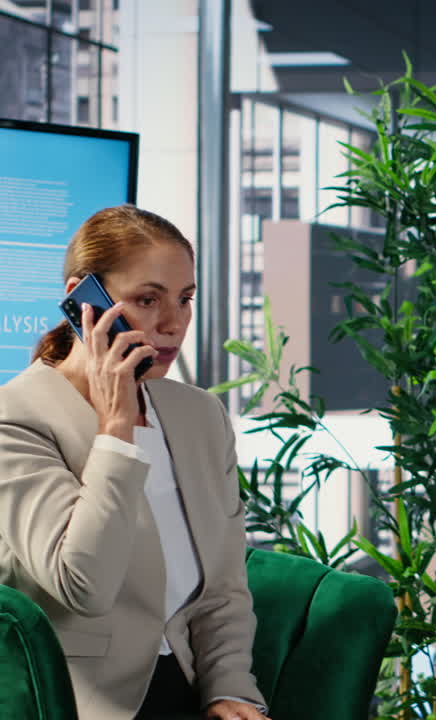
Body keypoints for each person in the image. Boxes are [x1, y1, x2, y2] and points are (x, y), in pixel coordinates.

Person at [0, 206, 268, 720]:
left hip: (187, 685)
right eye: (148, 300)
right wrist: (117, 429)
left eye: (185, 299)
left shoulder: (200, 416)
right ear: (84, 300)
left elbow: (223, 587)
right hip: (78, 701)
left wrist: (230, 689)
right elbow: (84, 586)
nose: (173, 323)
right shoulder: (15, 418)